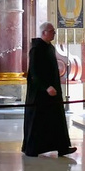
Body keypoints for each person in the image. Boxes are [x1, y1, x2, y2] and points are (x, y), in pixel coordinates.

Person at [22, 22, 75, 158]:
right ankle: (32, 149)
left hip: (53, 91)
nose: (54, 34)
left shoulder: (50, 48)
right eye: (52, 31)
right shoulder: (36, 49)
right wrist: (46, 87)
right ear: (44, 32)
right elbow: (34, 72)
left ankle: (62, 147)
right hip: (40, 93)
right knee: (38, 121)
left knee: (57, 120)